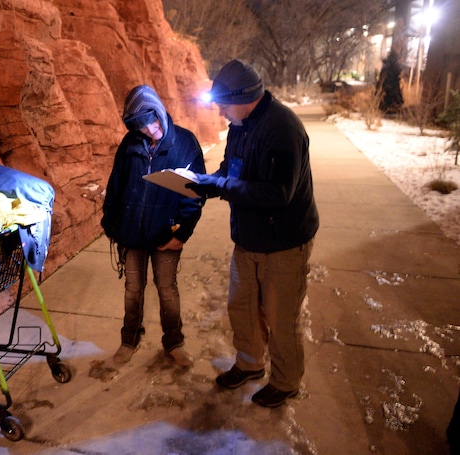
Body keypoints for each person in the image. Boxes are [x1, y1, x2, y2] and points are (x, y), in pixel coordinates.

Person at [188, 60, 319, 407]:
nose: (220, 112)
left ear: (245, 97)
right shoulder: (240, 125)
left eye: (224, 105)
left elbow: (277, 194)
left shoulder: (282, 129)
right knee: (243, 307)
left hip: (283, 243)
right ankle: (249, 364)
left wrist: (222, 184)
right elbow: (231, 171)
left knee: (280, 317)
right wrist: (202, 183)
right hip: (247, 239)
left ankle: (286, 381)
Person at [101, 84, 206, 368]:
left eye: (153, 121)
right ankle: (129, 340)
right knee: (133, 289)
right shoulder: (129, 144)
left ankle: (174, 342)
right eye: (143, 127)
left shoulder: (185, 143)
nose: (150, 130)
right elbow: (116, 187)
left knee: (166, 288)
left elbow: (193, 194)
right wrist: (111, 225)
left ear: (159, 111)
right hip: (131, 235)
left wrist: (182, 233)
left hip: (166, 234)